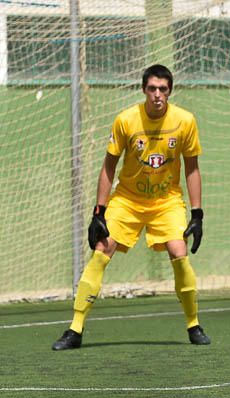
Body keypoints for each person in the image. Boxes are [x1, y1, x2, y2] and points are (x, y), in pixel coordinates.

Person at [52, 64, 211, 350]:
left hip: (167, 201)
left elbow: (192, 169)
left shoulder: (185, 121)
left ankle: (194, 324)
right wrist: (98, 211)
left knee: (179, 250)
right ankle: (75, 329)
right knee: (102, 249)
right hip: (127, 199)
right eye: (152, 89)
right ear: (144, 90)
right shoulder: (126, 120)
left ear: (170, 91)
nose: (157, 95)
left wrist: (197, 213)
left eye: (163, 89)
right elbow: (108, 167)